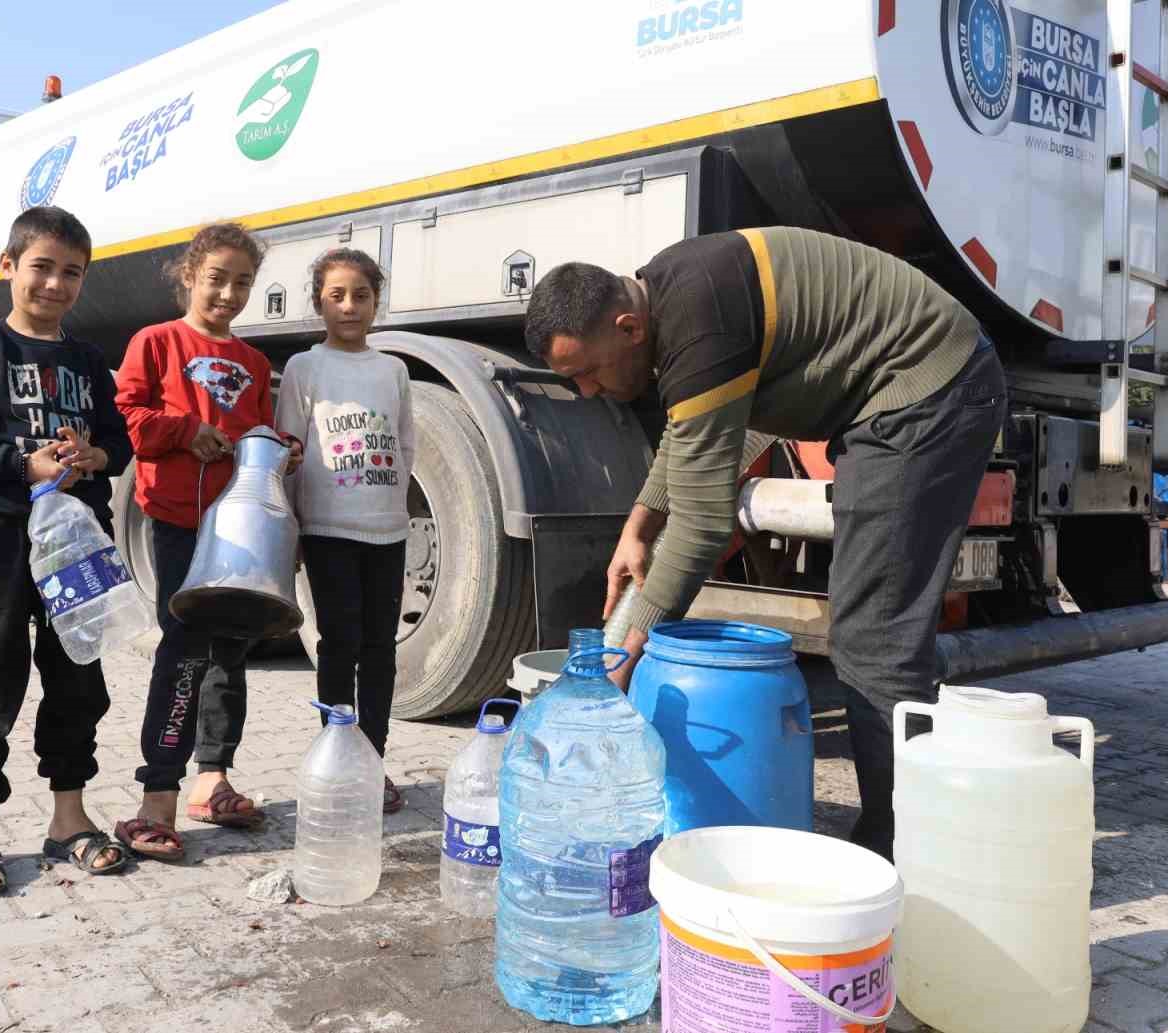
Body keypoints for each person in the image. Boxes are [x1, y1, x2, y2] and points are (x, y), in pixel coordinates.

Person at [523, 226, 1008, 861]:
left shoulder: (699, 320)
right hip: (894, 402)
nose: (586, 392)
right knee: (872, 630)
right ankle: (916, 830)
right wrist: (639, 523)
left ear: (627, 328)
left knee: (875, 637)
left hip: (928, 394)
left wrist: (627, 648)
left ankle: (909, 854)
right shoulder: (669, 296)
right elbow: (689, 429)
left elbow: (701, 524)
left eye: (585, 373)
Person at [0, 205, 133, 894]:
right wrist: (24, 465)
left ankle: (68, 819)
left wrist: (95, 452)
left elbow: (118, 441)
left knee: (79, 679)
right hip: (1, 538)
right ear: (8, 265)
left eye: (72, 272)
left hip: (76, 544)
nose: (55, 284)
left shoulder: (86, 360)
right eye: (41, 266)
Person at [112, 222, 301, 861]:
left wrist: (281, 452)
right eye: (216, 278)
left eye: (242, 282)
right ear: (189, 275)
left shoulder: (252, 361)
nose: (228, 293)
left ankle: (213, 778)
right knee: (184, 646)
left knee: (232, 647)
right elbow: (130, 420)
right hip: (176, 520)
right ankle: (156, 797)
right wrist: (187, 431)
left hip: (238, 529)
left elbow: (258, 437)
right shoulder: (156, 342)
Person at [276, 248, 415, 814]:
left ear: (377, 302)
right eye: (337, 295)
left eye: (361, 294)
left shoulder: (393, 370)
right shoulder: (305, 369)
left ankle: (373, 763)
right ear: (319, 304)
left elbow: (406, 444)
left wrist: (391, 502)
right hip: (329, 530)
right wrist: (291, 530)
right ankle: (337, 756)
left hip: (386, 530)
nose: (350, 306)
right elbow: (289, 449)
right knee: (339, 645)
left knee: (381, 649)